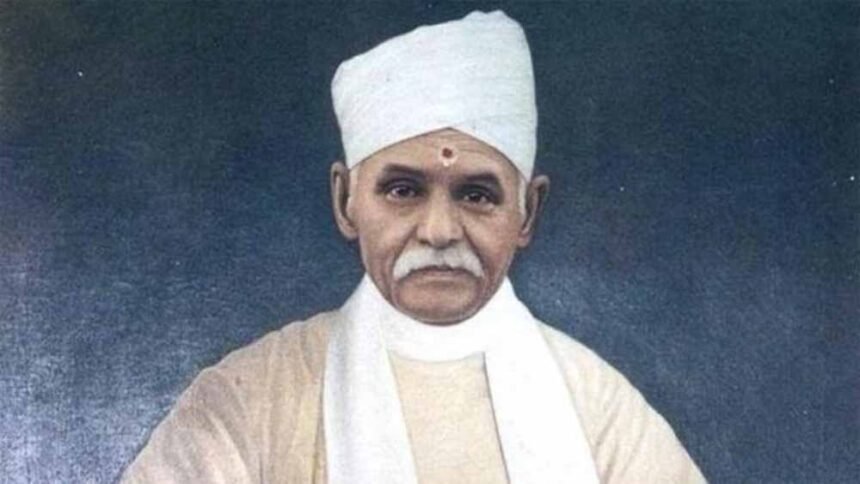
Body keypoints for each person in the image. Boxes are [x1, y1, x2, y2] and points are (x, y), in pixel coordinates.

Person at [122, 10, 706, 484]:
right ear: (346, 200)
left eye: (477, 195)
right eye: (403, 190)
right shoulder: (249, 400)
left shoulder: (597, 407)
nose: (439, 230)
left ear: (527, 212)